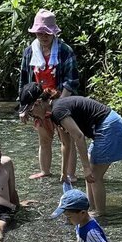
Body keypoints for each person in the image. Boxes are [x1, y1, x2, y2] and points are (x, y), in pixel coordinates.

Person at [19, 82, 122, 216]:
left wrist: (86, 168)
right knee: (90, 173)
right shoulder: (54, 112)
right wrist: (64, 173)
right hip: (107, 126)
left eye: (30, 111)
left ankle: (100, 213)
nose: (32, 116)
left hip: (110, 126)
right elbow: (66, 144)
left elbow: (79, 136)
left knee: (94, 175)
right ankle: (89, 209)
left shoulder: (58, 110)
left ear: (38, 102)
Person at [18, 9, 80, 180]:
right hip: (39, 104)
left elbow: (72, 81)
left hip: (61, 99)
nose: (43, 36)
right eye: (39, 32)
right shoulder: (29, 52)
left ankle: (70, 174)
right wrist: (23, 108)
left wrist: (61, 104)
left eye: (46, 33)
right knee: (44, 139)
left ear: (53, 33)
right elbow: (24, 82)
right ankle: (45, 171)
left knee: (66, 140)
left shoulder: (65, 51)